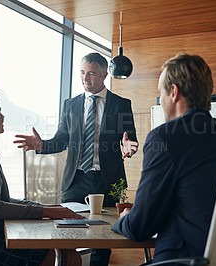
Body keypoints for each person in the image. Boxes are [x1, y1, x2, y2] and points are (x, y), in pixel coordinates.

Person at [14, 52, 138, 265]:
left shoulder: (121, 104)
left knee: (104, 239)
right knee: (65, 234)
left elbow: (130, 138)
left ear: (103, 75)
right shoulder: (70, 105)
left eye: (91, 73)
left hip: (111, 181)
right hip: (76, 179)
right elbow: (62, 140)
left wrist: (129, 146)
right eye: (82, 72)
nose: (85, 78)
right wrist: (42, 145)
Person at [111, 53, 216, 263]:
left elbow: (140, 227)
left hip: (183, 259)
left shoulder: (164, 137)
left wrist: (124, 219)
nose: (162, 100)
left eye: (161, 93)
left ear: (173, 92)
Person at [0, 92, 83, 265]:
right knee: (69, 258)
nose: (2, 116)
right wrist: (47, 212)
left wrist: (46, 208)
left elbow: (2, 200)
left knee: (68, 254)